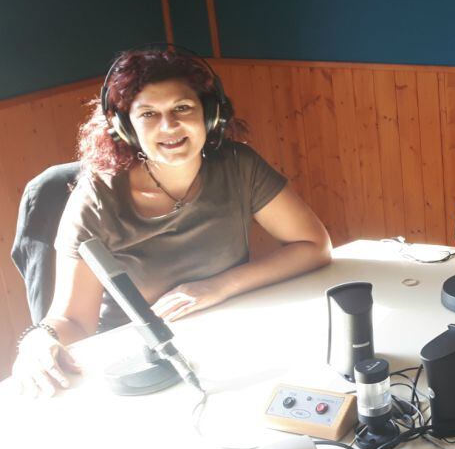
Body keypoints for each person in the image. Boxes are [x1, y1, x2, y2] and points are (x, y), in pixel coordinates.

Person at [12, 47, 332, 397]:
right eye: (149, 113)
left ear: (209, 115)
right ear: (125, 126)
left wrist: (219, 286)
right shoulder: (96, 199)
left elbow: (314, 245)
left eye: (183, 108)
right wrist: (38, 340)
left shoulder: (239, 167)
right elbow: (74, 320)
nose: (169, 126)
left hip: (227, 336)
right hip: (140, 364)